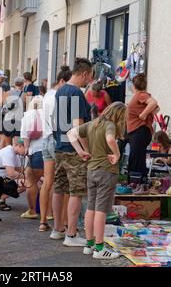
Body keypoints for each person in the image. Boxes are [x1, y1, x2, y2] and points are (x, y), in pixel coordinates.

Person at [68, 102, 127, 260]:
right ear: (119, 116)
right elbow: (110, 139)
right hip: (106, 172)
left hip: (91, 170)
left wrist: (81, 151)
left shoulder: (93, 123)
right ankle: (99, 248)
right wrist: (117, 154)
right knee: (101, 210)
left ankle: (90, 244)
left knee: (91, 207)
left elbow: (71, 134)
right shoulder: (110, 125)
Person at [52, 58, 93, 247]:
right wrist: (87, 149)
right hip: (73, 149)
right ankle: (72, 233)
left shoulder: (60, 90)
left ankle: (57, 229)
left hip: (59, 146)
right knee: (76, 191)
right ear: (84, 73)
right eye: (90, 76)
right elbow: (79, 127)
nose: (90, 81)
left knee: (59, 189)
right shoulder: (76, 93)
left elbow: (56, 120)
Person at [39, 66, 72, 232]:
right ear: (62, 81)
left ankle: (43, 221)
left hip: (45, 139)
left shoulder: (46, 96)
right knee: (64, 184)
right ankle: (64, 222)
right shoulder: (60, 96)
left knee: (47, 182)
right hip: (58, 139)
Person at [127, 74, 159, 183]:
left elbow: (154, 103)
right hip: (137, 132)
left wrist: (143, 114)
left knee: (136, 160)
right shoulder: (139, 96)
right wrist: (147, 112)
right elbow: (156, 109)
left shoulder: (141, 95)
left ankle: (135, 184)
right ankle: (139, 183)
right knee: (138, 159)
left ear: (133, 85)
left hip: (139, 131)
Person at [20, 96, 44, 220]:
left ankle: (32, 210)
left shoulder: (28, 115)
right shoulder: (49, 114)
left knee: (31, 181)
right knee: (49, 183)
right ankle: (49, 212)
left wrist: (26, 150)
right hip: (50, 152)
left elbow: (25, 136)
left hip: (35, 152)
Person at [0, 137, 27, 211]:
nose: (27, 150)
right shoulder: (8, 152)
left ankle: (1, 198)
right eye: (25, 148)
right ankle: (0, 198)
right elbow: (11, 173)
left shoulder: (16, 154)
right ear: (19, 146)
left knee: (30, 181)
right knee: (28, 183)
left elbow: (21, 170)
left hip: (3, 179)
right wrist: (27, 177)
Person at [1, 76, 25, 148]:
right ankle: (17, 158)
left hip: (7, 120)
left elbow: (3, 105)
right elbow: (26, 109)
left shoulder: (7, 93)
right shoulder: (25, 95)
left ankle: (7, 158)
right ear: (22, 84)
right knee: (18, 144)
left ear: (14, 84)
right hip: (19, 121)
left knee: (8, 145)